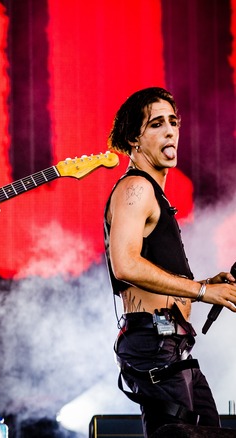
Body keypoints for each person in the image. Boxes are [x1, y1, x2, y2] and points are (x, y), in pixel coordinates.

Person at [104, 87, 236, 437]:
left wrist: (208, 285)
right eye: (157, 124)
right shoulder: (136, 188)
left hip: (172, 345)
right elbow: (125, 265)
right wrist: (203, 290)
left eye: (173, 122)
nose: (170, 131)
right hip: (154, 343)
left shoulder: (153, 194)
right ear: (134, 137)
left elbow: (155, 275)